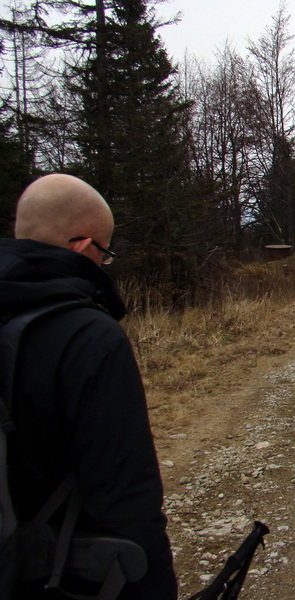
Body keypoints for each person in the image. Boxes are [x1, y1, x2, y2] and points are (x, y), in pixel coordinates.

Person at [0, 174, 177, 599]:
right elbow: (125, 495)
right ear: (83, 246)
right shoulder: (88, 336)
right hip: (65, 577)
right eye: (106, 252)